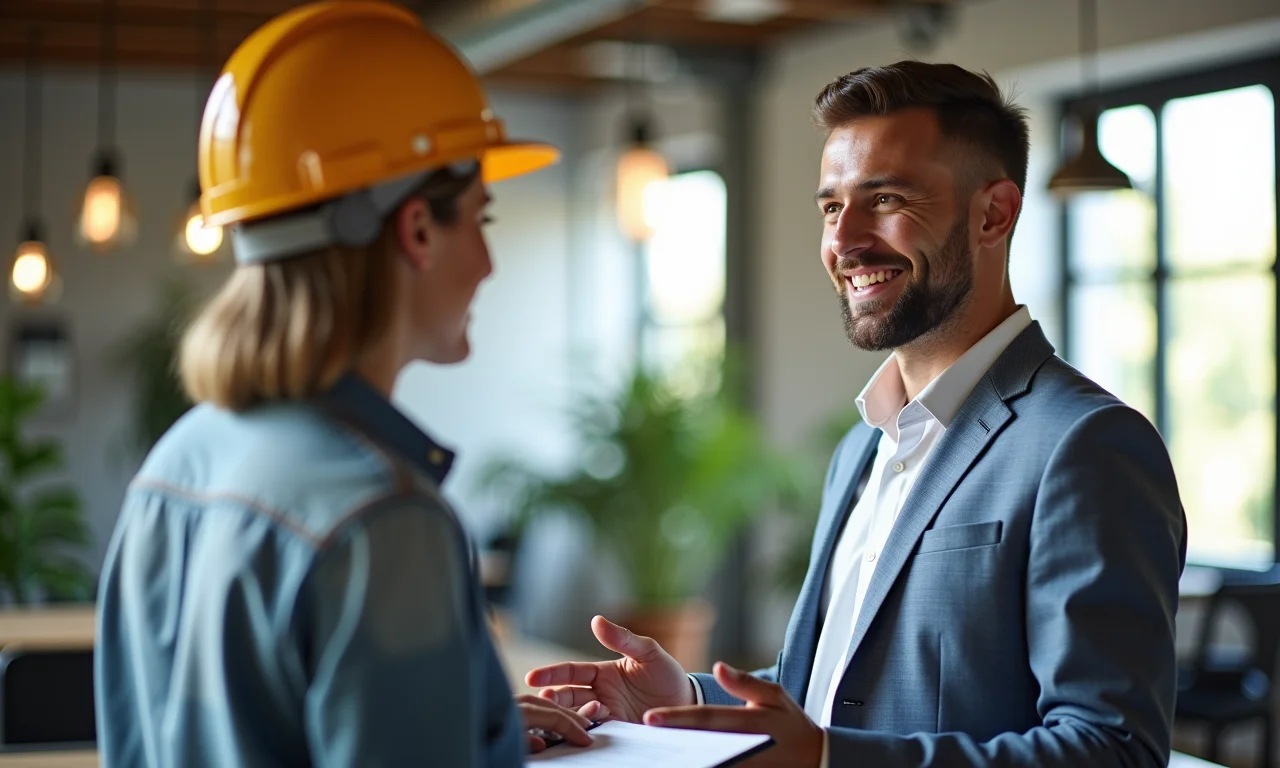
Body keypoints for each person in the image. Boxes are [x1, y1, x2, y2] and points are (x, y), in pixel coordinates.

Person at [528, 61, 1187, 767]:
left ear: (993, 213)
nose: (844, 242)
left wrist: (829, 760)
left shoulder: (1086, 445)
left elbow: (1112, 751)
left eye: (886, 198)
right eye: (832, 207)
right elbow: (832, 694)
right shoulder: (860, 448)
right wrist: (679, 701)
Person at [93, 2, 604, 765]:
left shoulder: (176, 462)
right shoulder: (382, 522)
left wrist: (461, 728)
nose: (489, 263)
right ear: (418, 231)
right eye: (481, 218)